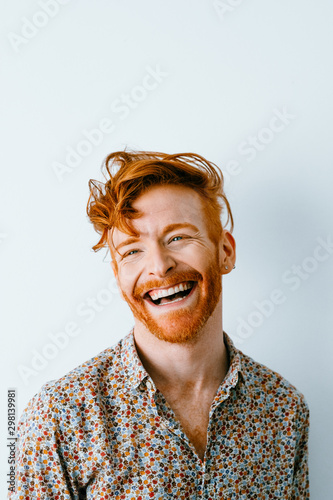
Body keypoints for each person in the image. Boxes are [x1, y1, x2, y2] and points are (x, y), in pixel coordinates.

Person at [12, 151, 309, 499]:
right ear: (117, 274)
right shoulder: (60, 416)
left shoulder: (284, 409)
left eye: (178, 237)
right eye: (132, 251)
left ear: (225, 251)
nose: (159, 266)